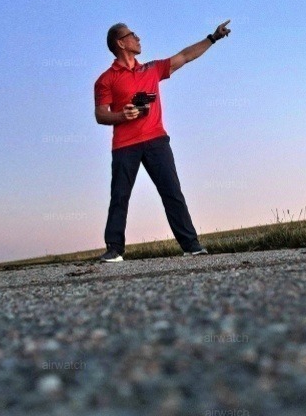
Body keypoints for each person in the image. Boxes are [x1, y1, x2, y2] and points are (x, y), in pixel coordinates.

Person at [93, 19, 231, 262]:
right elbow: (100, 114)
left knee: (172, 192)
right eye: (132, 34)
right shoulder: (105, 80)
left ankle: (191, 245)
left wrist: (212, 38)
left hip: (157, 141)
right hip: (125, 146)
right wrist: (121, 115)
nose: (138, 38)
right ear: (120, 42)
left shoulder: (152, 69)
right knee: (120, 196)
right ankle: (114, 249)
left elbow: (185, 56)